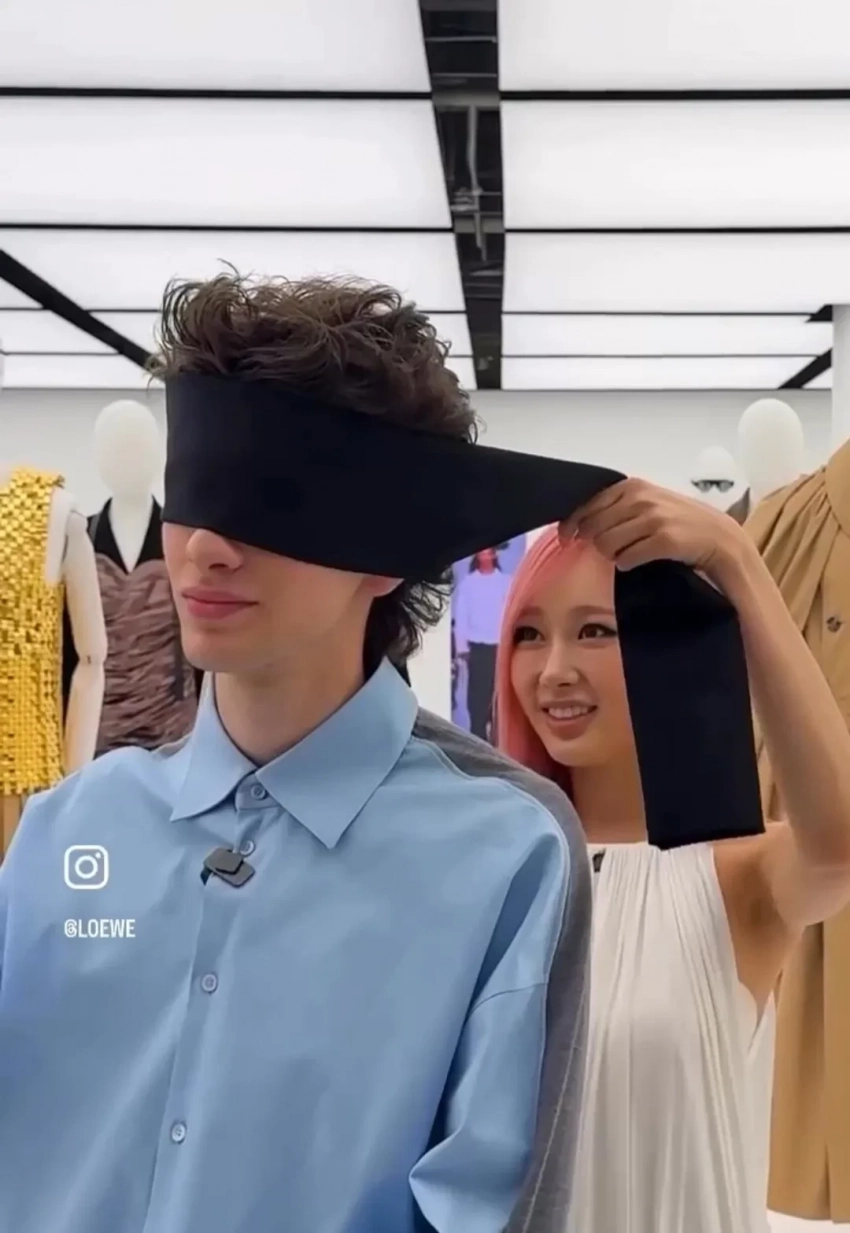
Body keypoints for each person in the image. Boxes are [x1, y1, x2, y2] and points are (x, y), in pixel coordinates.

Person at [0, 274, 591, 1233]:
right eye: (198, 491)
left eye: (271, 500)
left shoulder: (503, 850)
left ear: (390, 546)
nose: (206, 547)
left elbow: (495, 1203)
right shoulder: (69, 829)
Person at [494, 480, 850, 1233]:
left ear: (670, 648)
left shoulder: (734, 876)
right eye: (528, 634)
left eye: (595, 631)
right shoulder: (492, 876)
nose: (553, 669)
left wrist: (734, 558)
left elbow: (839, 841)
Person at [453, 546, 512, 740]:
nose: (485, 555)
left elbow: (510, 614)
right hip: (477, 648)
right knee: (477, 696)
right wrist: (461, 647)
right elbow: (462, 616)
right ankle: (478, 737)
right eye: (482, 552)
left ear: (494, 554)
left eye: (489, 552)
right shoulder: (469, 583)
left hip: (499, 647)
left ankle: (499, 738)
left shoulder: (505, 582)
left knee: (498, 694)